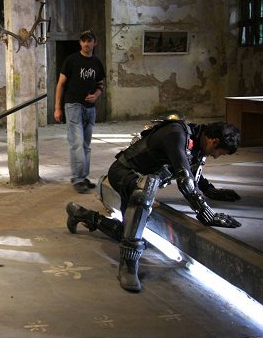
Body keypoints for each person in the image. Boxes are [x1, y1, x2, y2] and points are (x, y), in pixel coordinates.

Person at [66, 120, 242, 292]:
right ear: (214, 141)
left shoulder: (196, 139)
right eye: (220, 152)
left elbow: (193, 172)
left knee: (125, 233)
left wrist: (212, 191)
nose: (216, 156)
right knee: (145, 191)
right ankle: (128, 265)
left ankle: (83, 214)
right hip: (123, 173)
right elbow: (185, 181)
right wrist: (207, 214)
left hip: (141, 181)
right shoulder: (176, 133)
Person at [54, 29, 106, 194]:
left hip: (90, 109)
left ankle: (83, 177)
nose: (86, 43)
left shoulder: (97, 62)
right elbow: (61, 84)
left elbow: (101, 84)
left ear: (94, 43)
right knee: (76, 143)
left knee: (86, 145)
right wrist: (57, 107)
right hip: (73, 106)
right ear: (80, 43)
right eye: (83, 41)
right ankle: (77, 179)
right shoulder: (71, 60)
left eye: (89, 41)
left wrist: (96, 95)